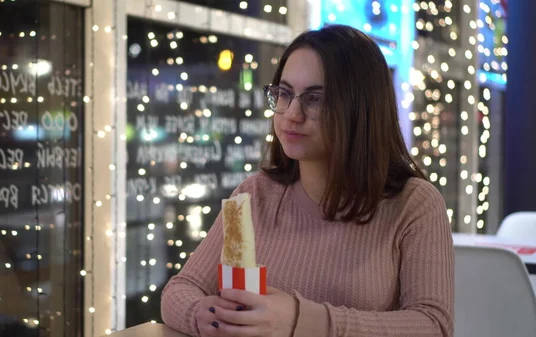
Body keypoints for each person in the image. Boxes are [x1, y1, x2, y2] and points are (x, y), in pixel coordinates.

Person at [160, 24, 454, 337]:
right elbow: (181, 290)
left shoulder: (414, 204)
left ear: (360, 109)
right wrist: (203, 315)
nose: (291, 114)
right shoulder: (255, 194)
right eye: (284, 94)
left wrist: (301, 320)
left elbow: (433, 326)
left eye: (314, 99)